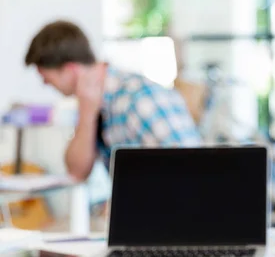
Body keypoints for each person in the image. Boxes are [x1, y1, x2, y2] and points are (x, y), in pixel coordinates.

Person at [25, 20, 201, 181]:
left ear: (70, 70)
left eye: (47, 78)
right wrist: (86, 113)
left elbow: (193, 173)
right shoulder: (95, 104)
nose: (45, 84)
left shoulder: (140, 98)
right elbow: (77, 172)